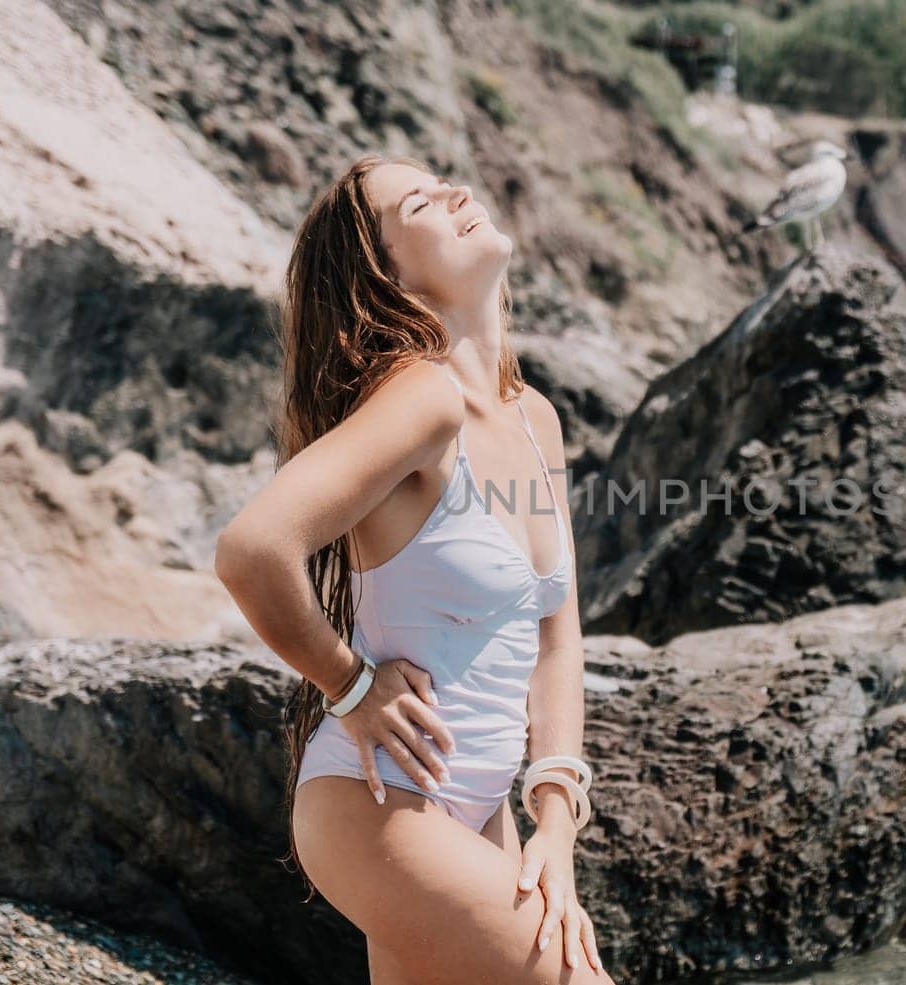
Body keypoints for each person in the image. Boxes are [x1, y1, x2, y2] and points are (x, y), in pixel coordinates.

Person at [214, 153, 616, 984]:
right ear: (387, 278)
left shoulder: (534, 417)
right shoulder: (421, 401)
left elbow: (557, 642)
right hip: (378, 805)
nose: (459, 193)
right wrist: (351, 685)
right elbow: (253, 551)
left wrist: (555, 824)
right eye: (421, 205)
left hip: (483, 810)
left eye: (446, 182)